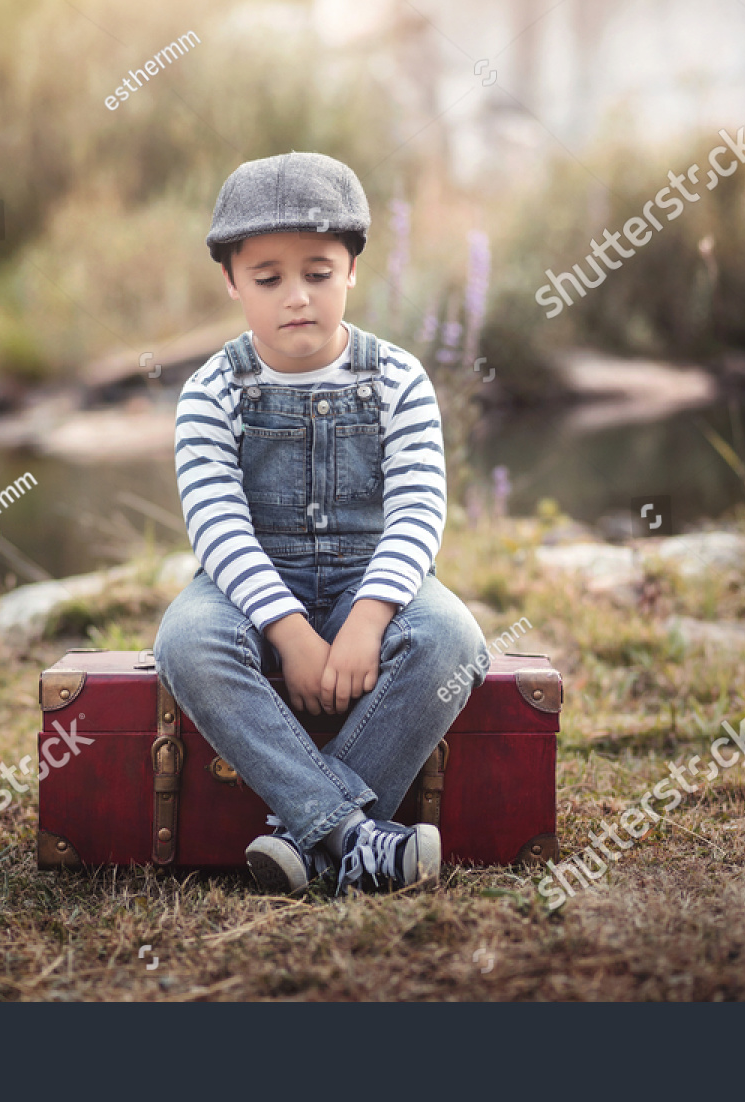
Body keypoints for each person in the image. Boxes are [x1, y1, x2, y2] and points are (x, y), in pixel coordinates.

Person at [152, 152, 489, 897]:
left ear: (353, 270)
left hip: (374, 577)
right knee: (186, 640)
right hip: (247, 584)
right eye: (268, 278)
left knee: (453, 640)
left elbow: (418, 512)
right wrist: (290, 632)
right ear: (231, 281)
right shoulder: (213, 391)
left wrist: (368, 619)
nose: (296, 296)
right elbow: (217, 527)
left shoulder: (397, 377)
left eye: (318, 271)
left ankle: (308, 837)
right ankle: (353, 838)